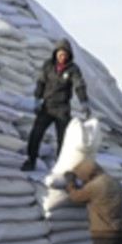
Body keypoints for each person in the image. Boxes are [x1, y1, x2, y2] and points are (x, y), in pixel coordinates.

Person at [21, 38, 88, 171]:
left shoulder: (73, 69)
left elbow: (79, 85)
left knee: (63, 140)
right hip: (47, 107)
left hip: (62, 108)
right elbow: (41, 82)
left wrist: (84, 101)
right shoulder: (48, 66)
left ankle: (60, 166)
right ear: (56, 53)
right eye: (60, 54)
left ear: (69, 55)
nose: (62, 57)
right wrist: (37, 99)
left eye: (65, 54)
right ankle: (31, 160)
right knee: (36, 134)